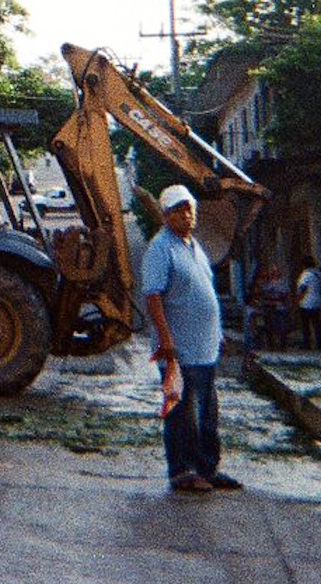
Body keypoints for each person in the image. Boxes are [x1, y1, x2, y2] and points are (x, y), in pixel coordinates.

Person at [142, 184, 240, 493]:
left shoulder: (194, 246)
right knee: (181, 412)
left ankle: (208, 468)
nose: (186, 215)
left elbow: (205, 292)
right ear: (165, 215)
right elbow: (153, 296)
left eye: (189, 209)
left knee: (208, 412)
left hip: (204, 347)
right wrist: (165, 339)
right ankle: (182, 471)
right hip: (179, 349)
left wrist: (218, 332)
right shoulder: (161, 248)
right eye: (178, 210)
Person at [296, 255, 321, 351]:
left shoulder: (306, 274)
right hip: (317, 301)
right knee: (316, 323)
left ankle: (307, 344)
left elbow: (302, 288)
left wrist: (297, 299)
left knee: (305, 325)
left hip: (306, 302)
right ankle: (320, 344)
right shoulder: (318, 273)